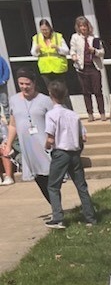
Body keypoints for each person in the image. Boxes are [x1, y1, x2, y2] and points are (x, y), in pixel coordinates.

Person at [43, 80, 97, 230]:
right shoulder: (73, 115)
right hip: (74, 153)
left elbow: (50, 138)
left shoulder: (51, 114)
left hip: (60, 152)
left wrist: (46, 146)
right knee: (81, 186)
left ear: (50, 95)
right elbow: (83, 136)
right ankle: (90, 218)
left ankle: (58, 218)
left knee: (53, 186)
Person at [0, 68, 52, 203]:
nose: (24, 87)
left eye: (27, 84)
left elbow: (54, 122)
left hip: (44, 144)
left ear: (34, 83)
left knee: (50, 176)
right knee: (38, 178)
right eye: (21, 83)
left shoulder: (45, 100)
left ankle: (57, 208)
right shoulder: (14, 100)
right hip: (28, 147)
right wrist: (8, 144)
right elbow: (13, 124)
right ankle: (55, 207)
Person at [69, 16, 106, 121]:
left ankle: (102, 113)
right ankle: (90, 114)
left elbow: (102, 52)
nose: (83, 28)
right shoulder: (75, 37)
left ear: (88, 26)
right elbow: (72, 50)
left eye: (84, 26)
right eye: (80, 26)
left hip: (94, 67)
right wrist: (73, 56)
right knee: (86, 91)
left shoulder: (94, 37)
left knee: (97, 90)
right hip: (82, 68)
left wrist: (94, 51)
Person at [31, 20, 69, 91]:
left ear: (50, 28)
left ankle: (64, 102)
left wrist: (58, 47)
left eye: (46, 30)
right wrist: (36, 50)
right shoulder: (36, 38)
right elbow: (33, 53)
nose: (44, 32)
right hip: (45, 69)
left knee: (62, 91)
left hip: (58, 68)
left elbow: (66, 51)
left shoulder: (58, 36)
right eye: (42, 30)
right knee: (51, 91)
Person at [0, 53, 10, 120]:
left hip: (2, 85)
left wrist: (4, 80)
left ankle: (8, 119)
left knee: (5, 103)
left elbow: (6, 70)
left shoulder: (1, 59)